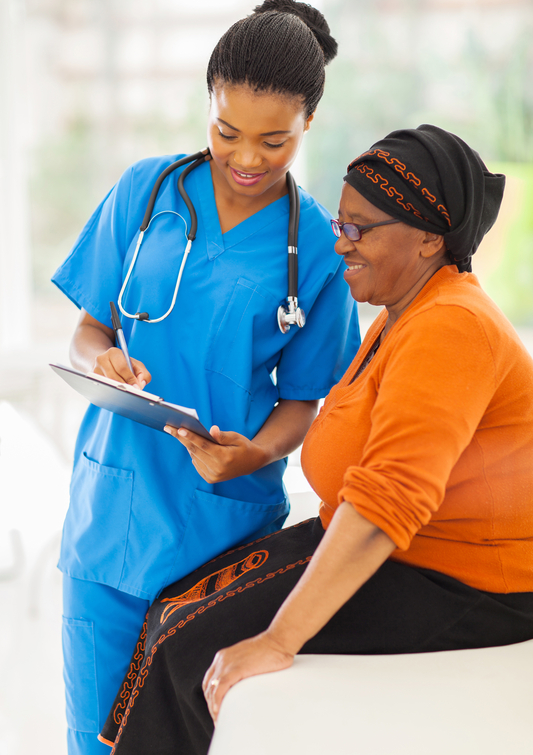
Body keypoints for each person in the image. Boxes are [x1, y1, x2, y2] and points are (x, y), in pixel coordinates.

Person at [98, 124, 533, 755]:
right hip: (391, 549)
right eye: (340, 222)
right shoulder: (405, 312)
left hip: (459, 581)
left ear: (430, 240)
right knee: (175, 607)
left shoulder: (452, 327)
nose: (339, 243)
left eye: (359, 230)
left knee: (186, 647)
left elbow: (389, 501)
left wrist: (277, 641)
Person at [52, 0, 361, 755]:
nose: (248, 158)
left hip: (220, 536)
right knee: (93, 741)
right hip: (111, 523)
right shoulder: (145, 192)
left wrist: (256, 453)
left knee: (193, 740)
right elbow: (91, 328)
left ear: (307, 125)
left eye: (273, 140)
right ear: (208, 106)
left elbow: (304, 402)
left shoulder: (316, 247)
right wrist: (105, 361)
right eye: (226, 132)